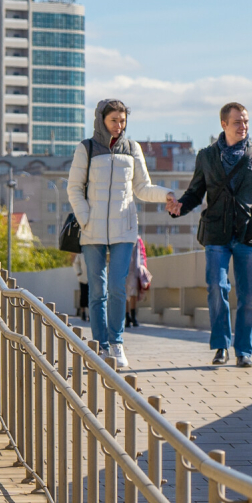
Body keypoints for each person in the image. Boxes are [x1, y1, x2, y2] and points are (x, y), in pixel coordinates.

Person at [166, 102, 252, 368]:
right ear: (224, 125)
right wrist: (179, 207)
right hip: (216, 232)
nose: (244, 126)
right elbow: (196, 192)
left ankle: (243, 350)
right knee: (217, 287)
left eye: (246, 121)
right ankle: (221, 345)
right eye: (238, 122)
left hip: (247, 235)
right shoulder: (206, 156)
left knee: (248, 298)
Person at [67, 99, 173, 369]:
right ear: (101, 119)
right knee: (97, 290)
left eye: (122, 120)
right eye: (113, 120)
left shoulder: (132, 148)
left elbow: (142, 188)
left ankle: (117, 343)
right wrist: (86, 218)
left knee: (117, 287)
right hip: (92, 232)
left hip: (124, 231)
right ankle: (100, 346)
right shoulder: (87, 148)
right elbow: (74, 188)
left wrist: (167, 195)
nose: (118, 125)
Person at [125, 236, 149, 328]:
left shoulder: (137, 239)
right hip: (126, 269)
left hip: (134, 269)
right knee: (126, 294)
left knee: (133, 293)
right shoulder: (125, 237)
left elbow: (141, 254)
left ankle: (133, 316)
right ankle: (128, 317)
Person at [73, 252, 89, 321]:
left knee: (92, 296)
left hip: (92, 279)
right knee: (83, 295)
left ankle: (90, 314)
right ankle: (83, 312)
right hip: (83, 278)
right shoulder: (80, 253)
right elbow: (76, 263)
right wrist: (78, 272)